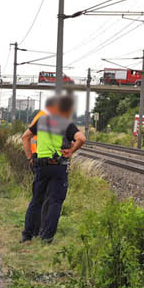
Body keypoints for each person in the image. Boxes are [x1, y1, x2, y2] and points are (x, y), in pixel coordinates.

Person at [20, 96, 86, 244]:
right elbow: (81, 138)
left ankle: (27, 235)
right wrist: (71, 151)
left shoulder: (41, 121)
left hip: (41, 166)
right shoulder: (66, 124)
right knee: (55, 202)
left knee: (36, 200)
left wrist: (30, 157)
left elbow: (25, 137)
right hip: (58, 167)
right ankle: (46, 238)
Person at [29, 96, 59, 235]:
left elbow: (26, 136)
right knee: (46, 198)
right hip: (41, 160)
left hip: (38, 160)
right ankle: (41, 229)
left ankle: (35, 230)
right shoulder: (47, 118)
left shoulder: (43, 117)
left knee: (39, 197)